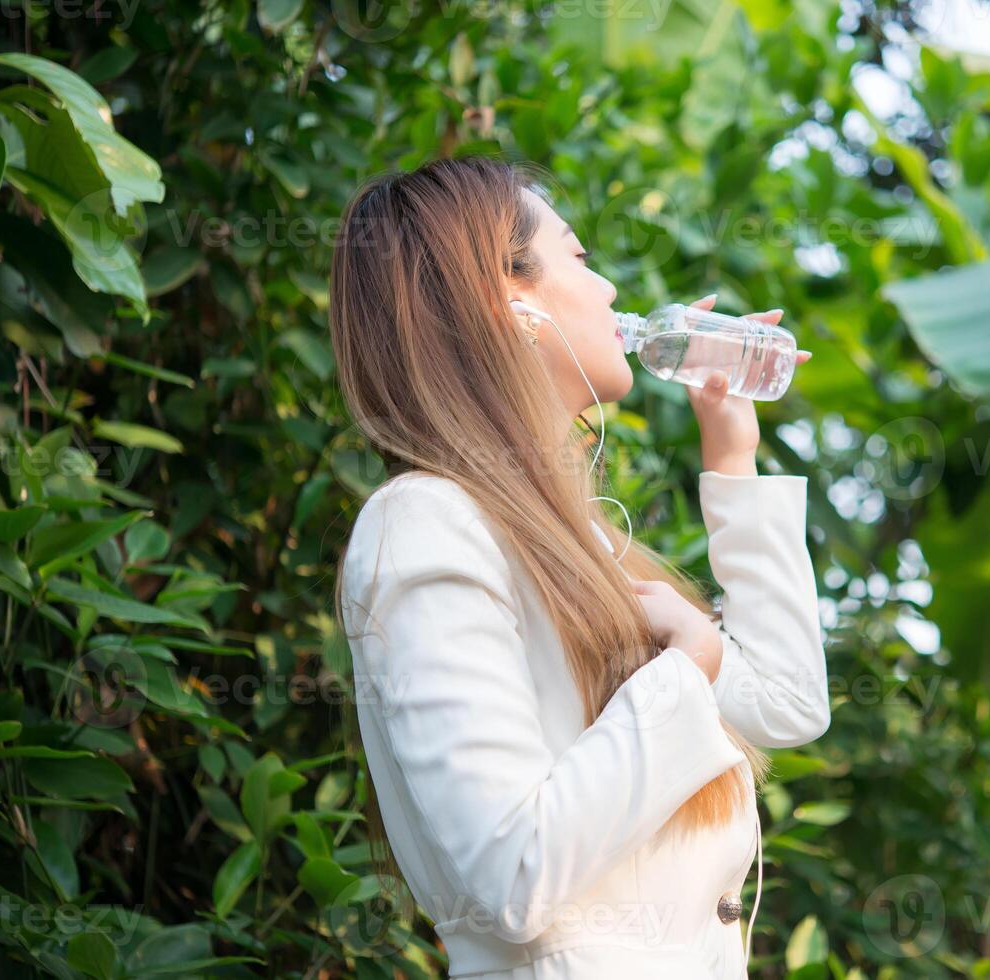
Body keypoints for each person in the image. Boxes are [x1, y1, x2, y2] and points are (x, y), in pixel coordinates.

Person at [328, 154, 830, 979]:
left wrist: (732, 457)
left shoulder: (573, 541)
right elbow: (506, 875)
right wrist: (684, 671)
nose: (607, 292)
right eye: (581, 258)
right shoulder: (424, 523)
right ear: (509, 296)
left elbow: (788, 704)